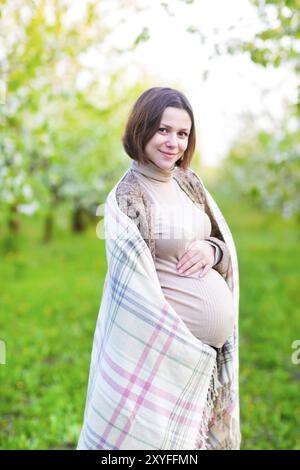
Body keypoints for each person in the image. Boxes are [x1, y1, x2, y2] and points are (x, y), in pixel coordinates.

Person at [77, 87, 241, 450]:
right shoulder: (128, 196)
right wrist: (183, 339)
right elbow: (134, 287)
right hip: (168, 351)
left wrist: (213, 251)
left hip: (207, 358)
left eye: (182, 134)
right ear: (142, 129)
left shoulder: (189, 183)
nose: (173, 143)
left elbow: (222, 244)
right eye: (163, 130)